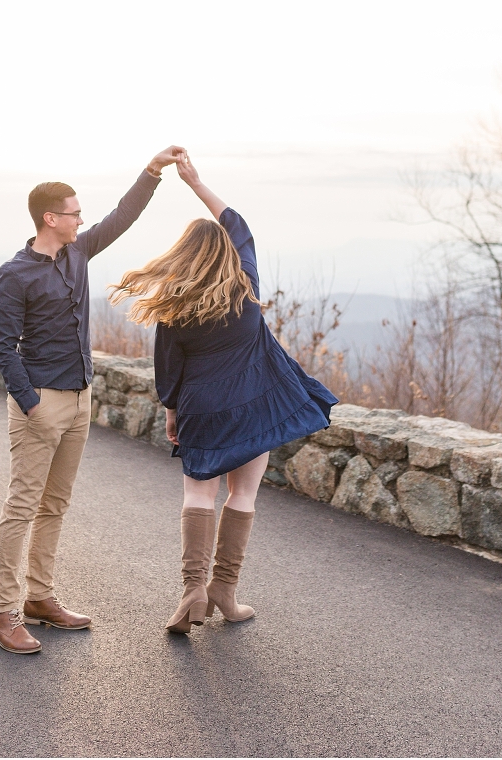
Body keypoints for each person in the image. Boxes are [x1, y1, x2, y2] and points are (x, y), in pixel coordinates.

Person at [109, 155, 338, 633]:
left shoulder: (174, 303)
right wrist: (197, 183)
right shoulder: (246, 286)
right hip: (255, 405)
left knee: (198, 492)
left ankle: (192, 590)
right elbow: (239, 226)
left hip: (202, 408)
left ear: (183, 255)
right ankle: (225, 591)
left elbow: (168, 368)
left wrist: (172, 412)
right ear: (227, 253)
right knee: (244, 493)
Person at [0, 145, 186, 654]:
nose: (82, 220)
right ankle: (3, 612)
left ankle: (40, 598)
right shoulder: (15, 274)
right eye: (74, 213)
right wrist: (30, 403)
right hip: (40, 404)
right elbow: (2, 347)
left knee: (54, 505)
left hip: (80, 400)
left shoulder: (78, 252)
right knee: (22, 507)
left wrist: (152, 171)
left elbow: (124, 216)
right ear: (51, 218)